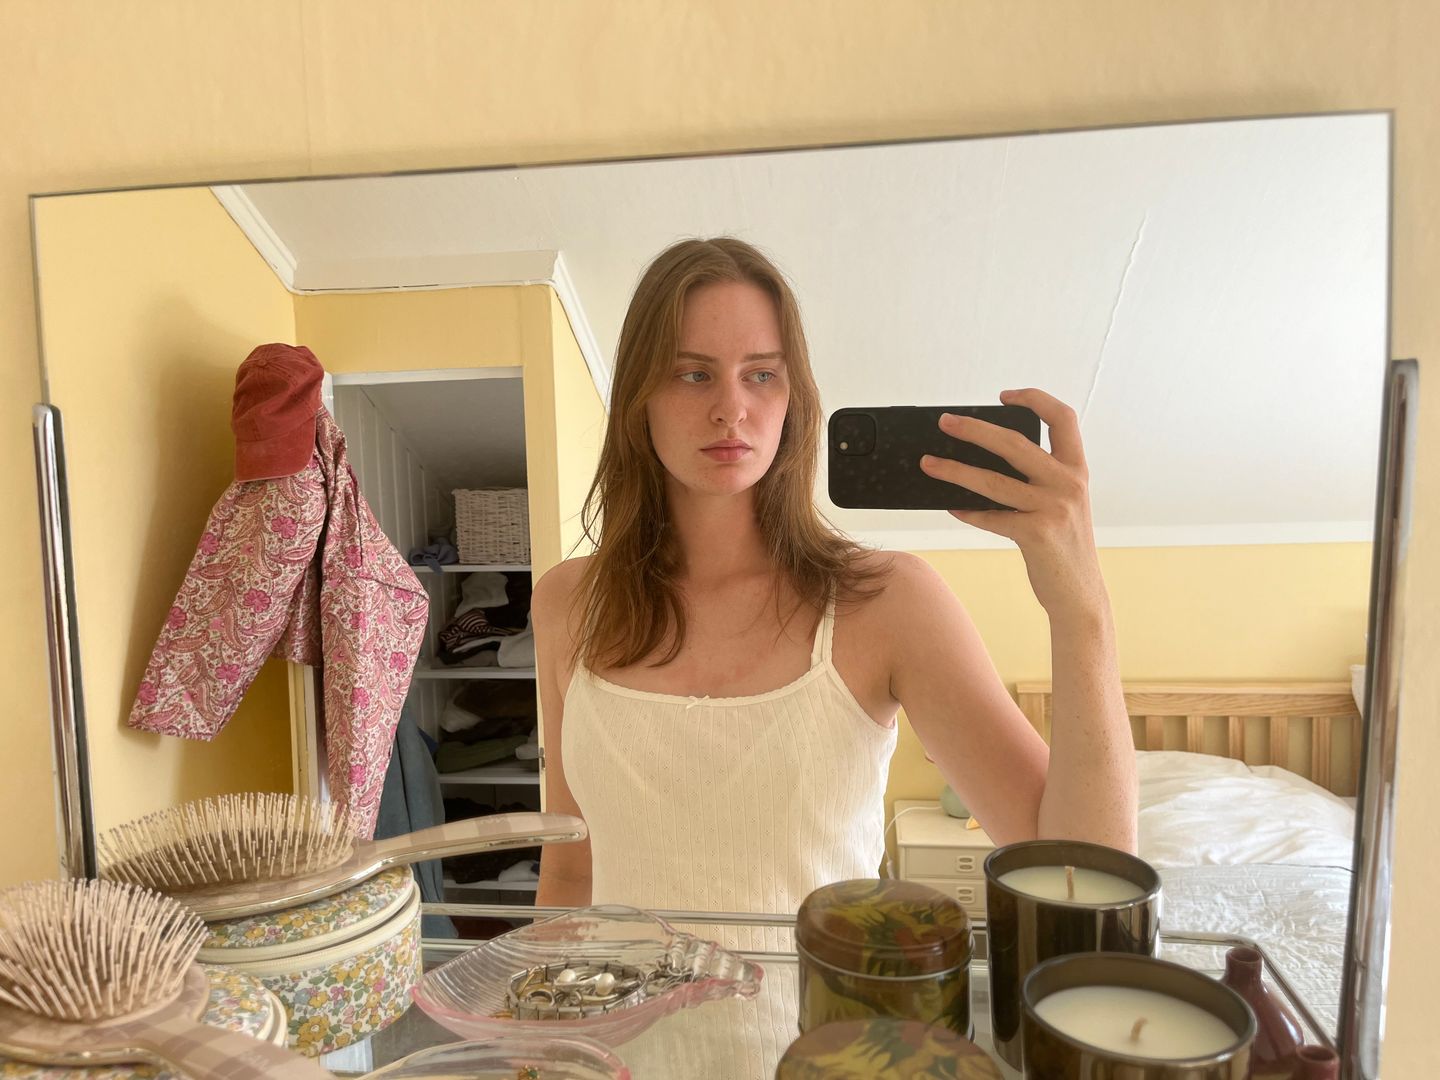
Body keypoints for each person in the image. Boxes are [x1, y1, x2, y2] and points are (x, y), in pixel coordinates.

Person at [530, 238, 1135, 1067]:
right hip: (619, 1063)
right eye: (692, 374)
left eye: (761, 375)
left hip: (829, 1061)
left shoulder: (887, 602)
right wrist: (541, 1048)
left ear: (795, 399)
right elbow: (572, 871)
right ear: (638, 397)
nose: (731, 408)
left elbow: (1081, 884)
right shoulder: (569, 603)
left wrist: (1082, 609)